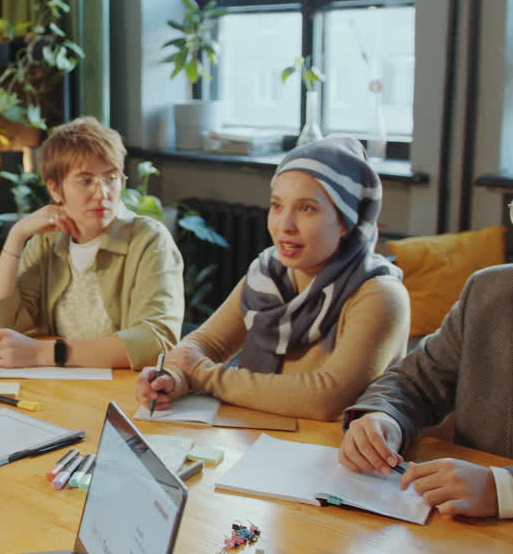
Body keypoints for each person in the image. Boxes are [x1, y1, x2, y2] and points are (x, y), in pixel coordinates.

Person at [339, 126, 513, 527]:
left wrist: (503, 488)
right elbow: (414, 381)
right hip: (472, 542)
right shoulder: (493, 293)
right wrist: (382, 418)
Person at [136, 136, 409, 420]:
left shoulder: (380, 295)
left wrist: (204, 375)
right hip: (261, 442)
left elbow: (327, 398)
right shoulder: (268, 273)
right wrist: (172, 378)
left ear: (346, 221)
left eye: (307, 209)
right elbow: (206, 344)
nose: (284, 225)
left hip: (335, 455)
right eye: (277, 206)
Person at [0, 117, 183, 369]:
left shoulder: (149, 239)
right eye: (85, 180)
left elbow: (157, 341)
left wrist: (45, 354)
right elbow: (1, 325)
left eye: (110, 177)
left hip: (125, 391)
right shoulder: (48, 240)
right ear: (55, 189)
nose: (102, 193)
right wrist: (17, 235)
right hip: (60, 388)